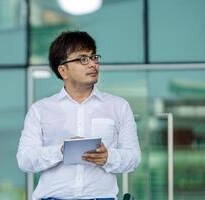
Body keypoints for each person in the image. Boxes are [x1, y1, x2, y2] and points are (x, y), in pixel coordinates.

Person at [16, 31, 141, 200]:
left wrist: (108, 157)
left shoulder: (119, 107)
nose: (93, 64)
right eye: (83, 59)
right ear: (63, 71)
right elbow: (25, 160)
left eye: (94, 57)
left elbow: (133, 157)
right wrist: (61, 151)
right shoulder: (40, 110)